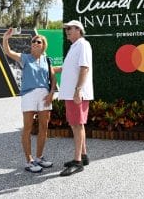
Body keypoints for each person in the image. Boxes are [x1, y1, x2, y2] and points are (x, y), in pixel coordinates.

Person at [2, 28, 56, 173]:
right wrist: (6, 38)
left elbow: (52, 78)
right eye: (33, 41)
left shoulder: (47, 60)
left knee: (44, 127)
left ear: (43, 45)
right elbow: (8, 52)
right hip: (29, 95)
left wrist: (51, 93)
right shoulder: (25, 58)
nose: (34, 43)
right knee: (28, 128)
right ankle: (29, 161)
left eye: (38, 41)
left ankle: (39, 157)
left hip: (45, 95)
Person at [58, 20, 93, 177]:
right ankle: (83, 156)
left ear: (79, 30)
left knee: (76, 125)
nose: (67, 31)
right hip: (71, 94)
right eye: (66, 29)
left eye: (69, 29)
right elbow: (66, 69)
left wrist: (78, 90)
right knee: (77, 125)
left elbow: (84, 68)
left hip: (76, 94)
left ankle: (77, 161)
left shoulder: (83, 45)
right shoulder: (74, 46)